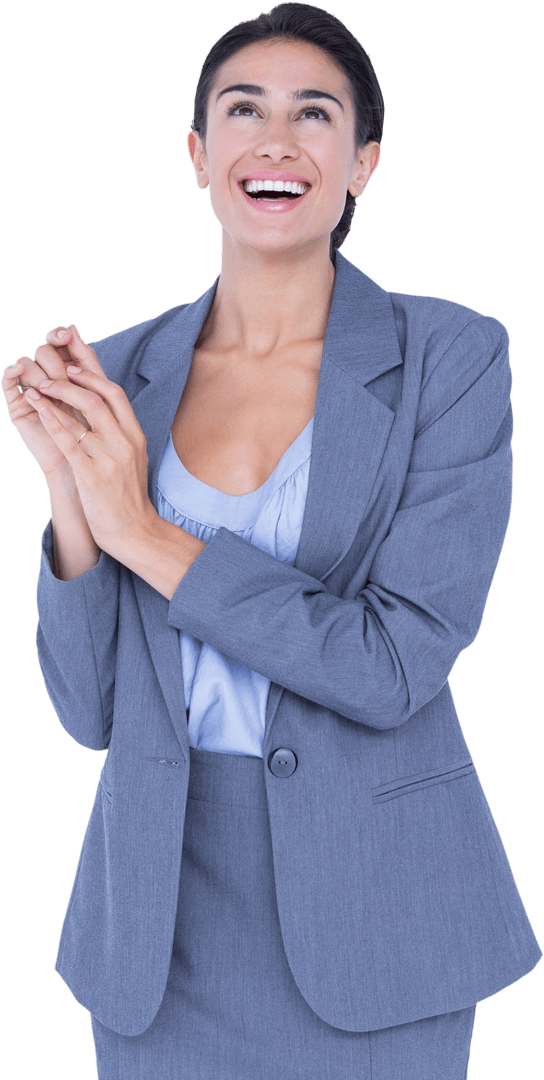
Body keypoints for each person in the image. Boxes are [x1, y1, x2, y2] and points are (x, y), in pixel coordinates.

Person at [2, 4, 541, 1078]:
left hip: (380, 913)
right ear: (200, 157)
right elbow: (89, 713)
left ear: (363, 163)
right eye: (243, 111)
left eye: (315, 114)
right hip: (156, 925)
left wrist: (143, 532)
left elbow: (393, 666)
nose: (276, 140)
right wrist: (72, 496)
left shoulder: (452, 357)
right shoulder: (119, 377)